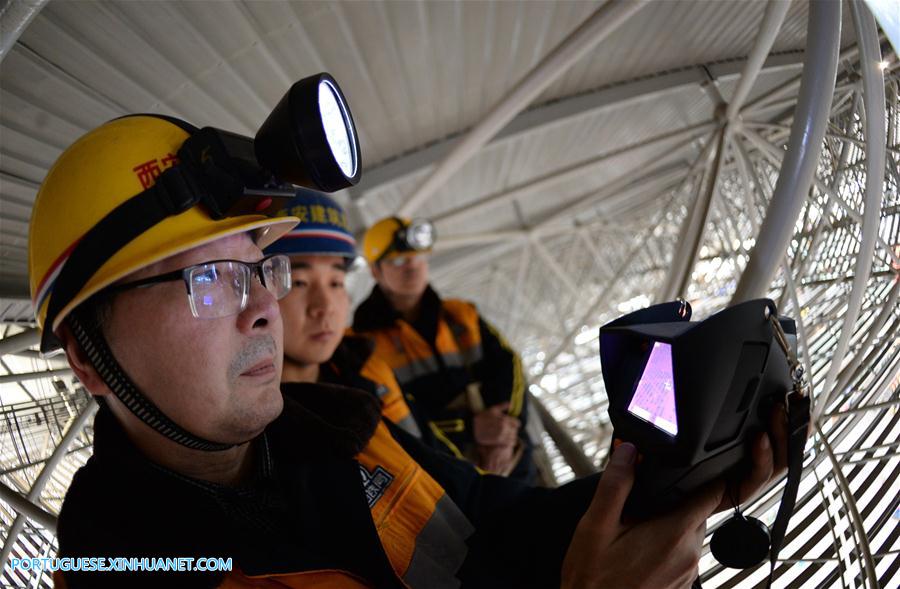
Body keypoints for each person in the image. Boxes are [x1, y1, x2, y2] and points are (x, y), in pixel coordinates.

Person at [35, 114, 789, 589]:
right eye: (208, 279)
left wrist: (673, 487)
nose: (269, 307)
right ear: (89, 356)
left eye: (263, 268)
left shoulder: (337, 424)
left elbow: (493, 519)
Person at [353, 217, 534, 481]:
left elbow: (510, 366)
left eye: (417, 257)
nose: (412, 267)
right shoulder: (363, 344)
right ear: (375, 271)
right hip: (443, 478)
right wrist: (469, 428)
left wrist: (504, 433)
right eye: (398, 260)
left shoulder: (462, 314)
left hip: (512, 460)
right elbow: (390, 420)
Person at [264, 189, 421, 438]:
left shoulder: (372, 374)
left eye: (336, 283)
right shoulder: (248, 421)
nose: (324, 307)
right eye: (298, 283)